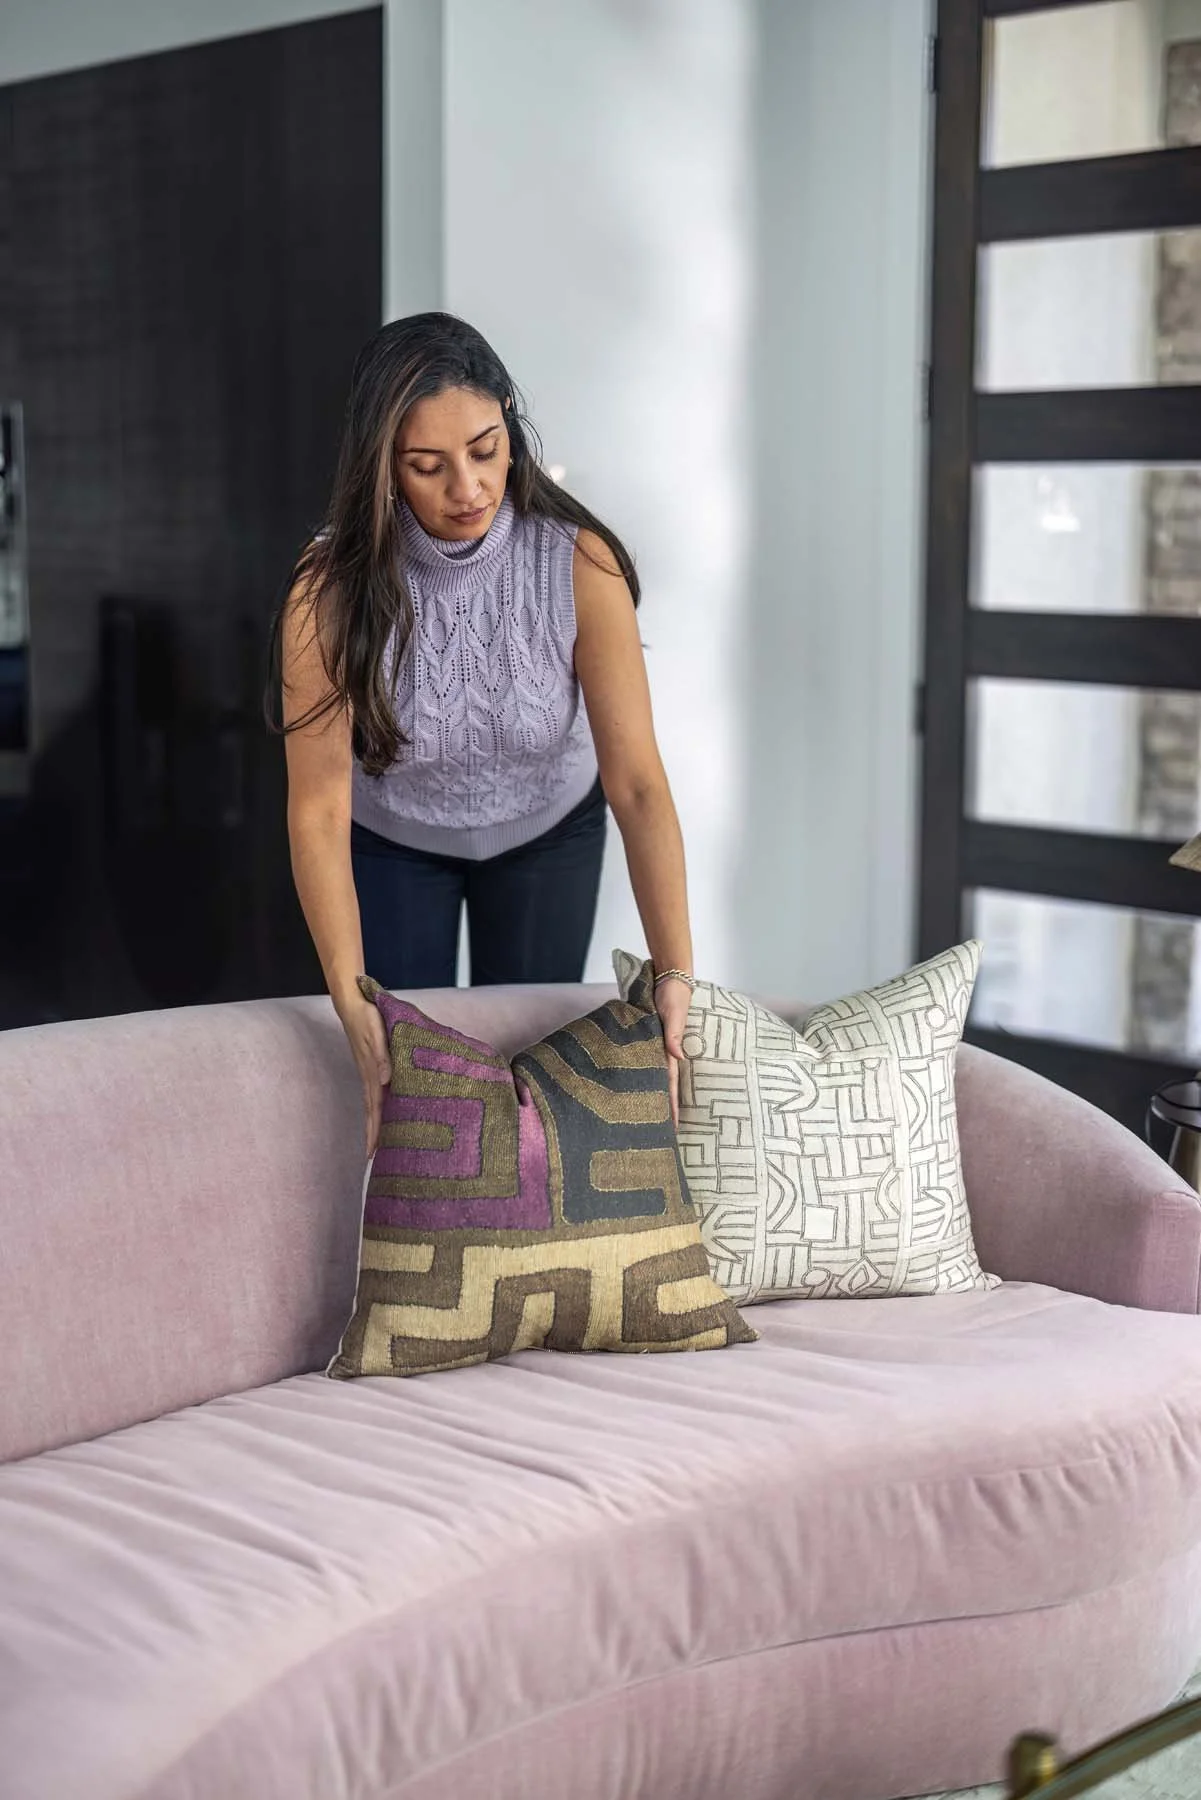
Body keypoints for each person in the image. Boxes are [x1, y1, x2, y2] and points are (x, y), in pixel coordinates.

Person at [272, 313, 695, 1154]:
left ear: (510, 427)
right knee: (417, 1090)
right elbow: (317, 808)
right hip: (393, 839)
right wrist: (347, 997)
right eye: (426, 466)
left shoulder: (579, 562)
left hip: (547, 829)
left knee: (536, 1076)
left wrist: (675, 971)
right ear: (383, 468)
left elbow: (638, 786)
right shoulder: (327, 589)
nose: (466, 487)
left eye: (484, 448)